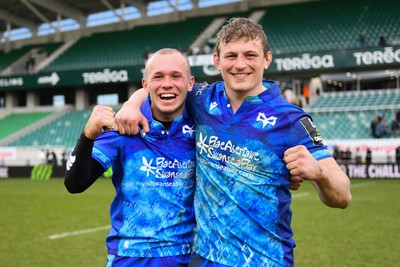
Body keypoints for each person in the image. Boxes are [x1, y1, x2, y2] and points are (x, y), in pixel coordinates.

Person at [114, 18, 352, 266]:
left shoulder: (291, 120)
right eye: (231, 56)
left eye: (250, 55)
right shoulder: (201, 98)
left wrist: (319, 174)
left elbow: (342, 196)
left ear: (266, 59)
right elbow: (161, 84)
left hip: (265, 260)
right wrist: (132, 104)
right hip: (204, 258)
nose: (240, 65)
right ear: (217, 61)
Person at [64, 48, 197, 266]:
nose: (167, 83)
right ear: (145, 85)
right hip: (131, 257)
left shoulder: (204, 124)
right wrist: (87, 135)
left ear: (190, 83)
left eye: (176, 76)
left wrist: (132, 101)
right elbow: (74, 184)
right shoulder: (123, 126)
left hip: (187, 256)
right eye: (158, 76)